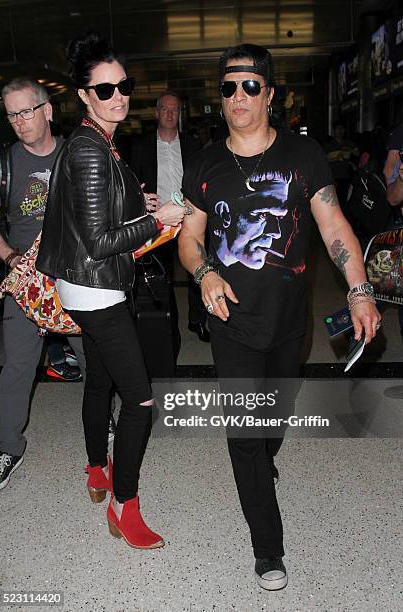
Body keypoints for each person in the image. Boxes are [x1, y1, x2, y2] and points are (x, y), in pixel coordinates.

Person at [178, 43, 381, 591]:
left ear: (269, 94)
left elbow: (336, 227)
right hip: (233, 324)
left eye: (249, 85)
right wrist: (204, 276)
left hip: (291, 323)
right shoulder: (205, 164)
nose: (238, 96)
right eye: (228, 87)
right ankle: (268, 549)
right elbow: (190, 239)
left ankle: (265, 454)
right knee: (245, 435)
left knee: (274, 418)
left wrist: (359, 290)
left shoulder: (303, 155)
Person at [37, 33, 185, 549]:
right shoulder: (90, 150)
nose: (118, 96)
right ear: (83, 94)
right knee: (141, 402)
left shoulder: (93, 140)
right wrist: (157, 218)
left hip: (82, 287)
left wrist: (133, 200)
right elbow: (100, 242)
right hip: (97, 290)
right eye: (104, 90)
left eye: (124, 86)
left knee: (99, 381)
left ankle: (97, 470)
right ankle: (125, 505)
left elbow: (90, 215)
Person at [0, 77, 85, 493]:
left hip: (76, 273)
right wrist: (11, 258)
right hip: (27, 278)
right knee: (16, 367)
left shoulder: (78, 152)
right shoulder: (4, 164)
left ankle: (103, 421)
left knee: (97, 355)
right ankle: (8, 447)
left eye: (26, 111)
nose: (19, 121)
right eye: (12, 113)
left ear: (47, 110)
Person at [130, 92, 209, 342]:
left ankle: (198, 320)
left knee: (196, 269)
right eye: (165, 109)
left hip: (189, 218)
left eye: (174, 110)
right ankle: (167, 323)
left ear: (179, 114)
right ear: (156, 113)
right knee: (160, 275)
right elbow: (133, 183)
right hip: (159, 220)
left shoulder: (192, 145)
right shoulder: (140, 147)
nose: (169, 114)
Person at [323, 120, 359, 209]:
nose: (340, 131)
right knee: (332, 202)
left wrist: (349, 150)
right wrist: (335, 157)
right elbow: (323, 160)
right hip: (332, 177)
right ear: (334, 130)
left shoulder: (348, 143)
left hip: (345, 177)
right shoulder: (329, 145)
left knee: (343, 202)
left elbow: (357, 153)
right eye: (338, 129)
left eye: (342, 129)